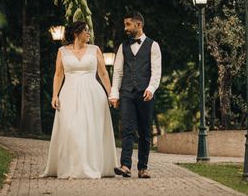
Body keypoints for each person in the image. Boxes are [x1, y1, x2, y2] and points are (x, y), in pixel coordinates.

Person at [41, 21, 118, 179]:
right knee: (71, 129)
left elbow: (103, 74)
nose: (89, 33)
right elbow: (58, 74)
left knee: (90, 129)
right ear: (76, 33)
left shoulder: (95, 50)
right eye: (86, 31)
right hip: (69, 94)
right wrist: (55, 95)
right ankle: (72, 166)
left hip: (93, 94)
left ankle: (90, 166)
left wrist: (111, 94)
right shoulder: (62, 51)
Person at [109, 12, 161, 179]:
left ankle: (142, 168)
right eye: (125, 25)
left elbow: (156, 71)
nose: (125, 28)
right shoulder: (123, 46)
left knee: (145, 132)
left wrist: (151, 89)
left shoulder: (153, 45)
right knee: (127, 129)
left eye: (128, 25)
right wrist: (114, 93)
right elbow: (117, 72)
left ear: (139, 25)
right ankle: (125, 166)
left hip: (145, 94)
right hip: (127, 93)